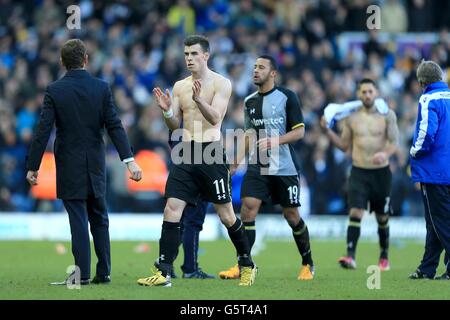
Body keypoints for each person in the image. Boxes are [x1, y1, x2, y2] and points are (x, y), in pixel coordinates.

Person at [136, 35, 256, 287]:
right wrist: (167, 110)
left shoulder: (222, 84)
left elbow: (215, 119)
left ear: (206, 56)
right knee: (172, 209)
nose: (189, 58)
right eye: (186, 54)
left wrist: (200, 99)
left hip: (211, 152)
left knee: (226, 215)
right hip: (186, 152)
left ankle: (247, 264)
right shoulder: (180, 86)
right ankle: (164, 272)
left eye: (193, 54)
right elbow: (174, 124)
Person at [25, 39, 142, 285]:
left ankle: (82, 274)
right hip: (96, 163)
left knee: (78, 217)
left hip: (69, 164)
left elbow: (43, 131)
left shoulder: (55, 90)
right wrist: (129, 161)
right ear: (86, 59)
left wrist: (33, 166)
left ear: (62, 62)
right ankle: (105, 272)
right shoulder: (101, 88)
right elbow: (115, 125)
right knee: (99, 216)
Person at [219, 55, 315, 281]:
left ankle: (307, 263)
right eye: (254, 67)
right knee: (247, 209)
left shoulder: (287, 96)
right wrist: (235, 162)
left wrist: (275, 140)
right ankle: (244, 264)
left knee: (291, 215)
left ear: (273, 73)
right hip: (258, 164)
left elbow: (300, 132)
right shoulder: (249, 101)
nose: (255, 71)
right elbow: (248, 135)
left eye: (261, 67)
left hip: (284, 165)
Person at [320, 78, 399, 271]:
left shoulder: (388, 115)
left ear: (376, 93)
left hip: (381, 173)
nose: (367, 95)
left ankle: (384, 257)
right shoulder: (351, 118)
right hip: (358, 171)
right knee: (355, 211)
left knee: (382, 216)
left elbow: (394, 142)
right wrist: (328, 131)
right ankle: (350, 256)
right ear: (358, 94)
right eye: (363, 92)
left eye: (370, 91)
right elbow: (345, 146)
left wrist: (385, 154)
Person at [408, 60, 450, 280]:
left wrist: (414, 152)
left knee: (440, 221)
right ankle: (427, 268)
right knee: (437, 221)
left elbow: (427, 133)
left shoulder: (428, 98)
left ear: (422, 81)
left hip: (436, 172)